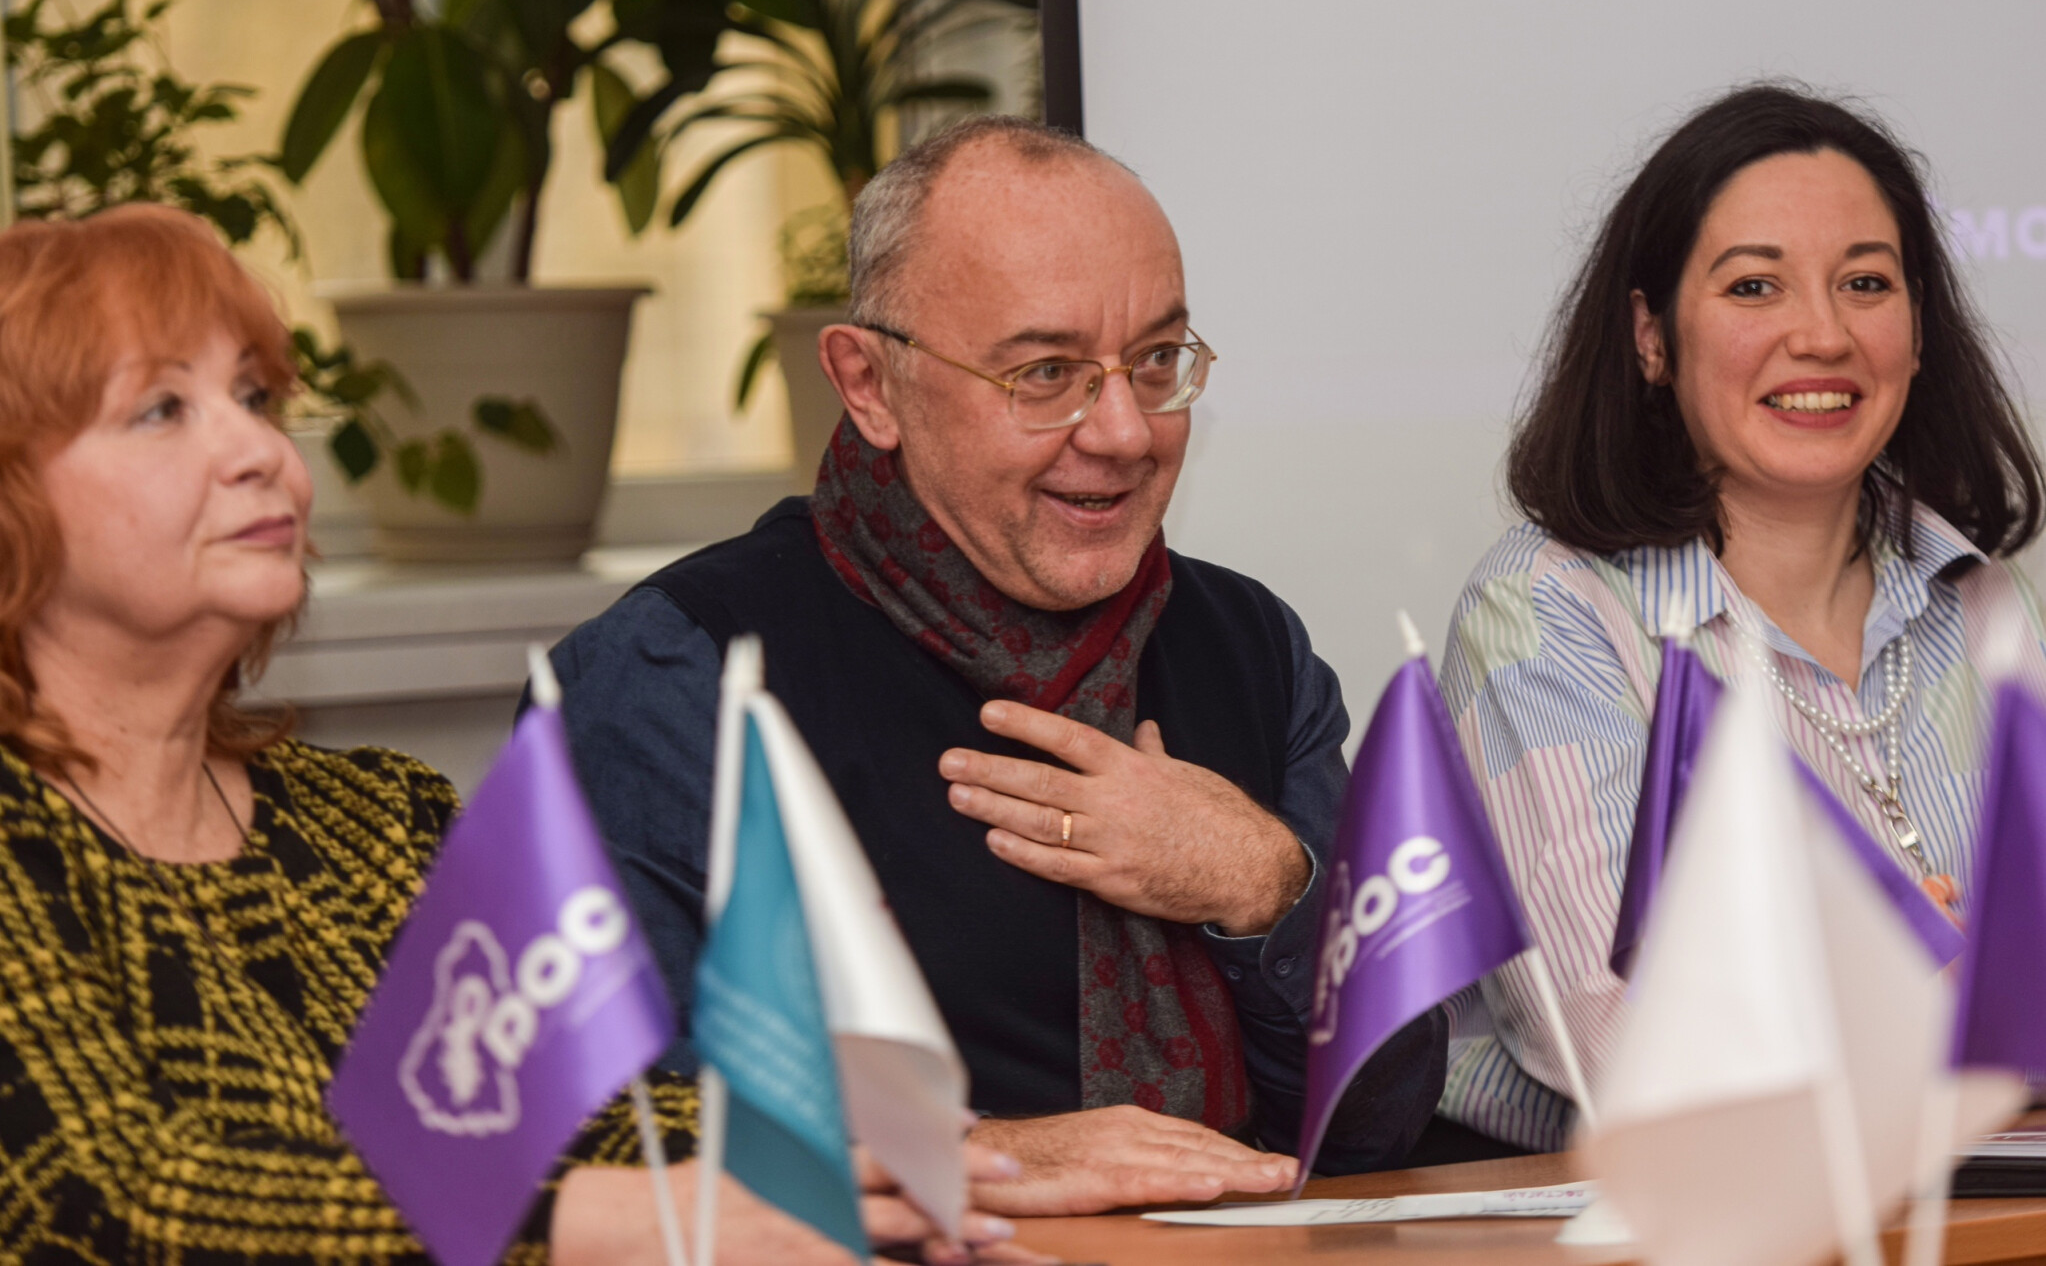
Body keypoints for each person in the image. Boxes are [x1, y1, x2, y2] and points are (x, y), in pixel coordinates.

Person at [0, 204, 1028, 1264]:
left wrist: (898, 1163)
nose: (258, 449)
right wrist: (625, 1221)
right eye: (162, 409)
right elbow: (101, 1202)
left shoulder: (380, 819)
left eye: (255, 398)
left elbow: (587, 1119)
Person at [546, 116, 1447, 1216]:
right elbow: (602, 1138)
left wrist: (1266, 882)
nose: (1124, 431)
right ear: (870, 384)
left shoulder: (1250, 645)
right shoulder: (683, 669)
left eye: (1156, 361)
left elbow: (1383, 1125)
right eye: (1045, 373)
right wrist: (990, 1156)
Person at [1435, 84, 2046, 1154]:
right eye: (1754, 285)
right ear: (1652, 337)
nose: (1823, 334)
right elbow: (1621, 1043)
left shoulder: (1982, 597)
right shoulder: (1547, 615)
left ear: (1917, 330)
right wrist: (1933, 993)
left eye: (1866, 282)